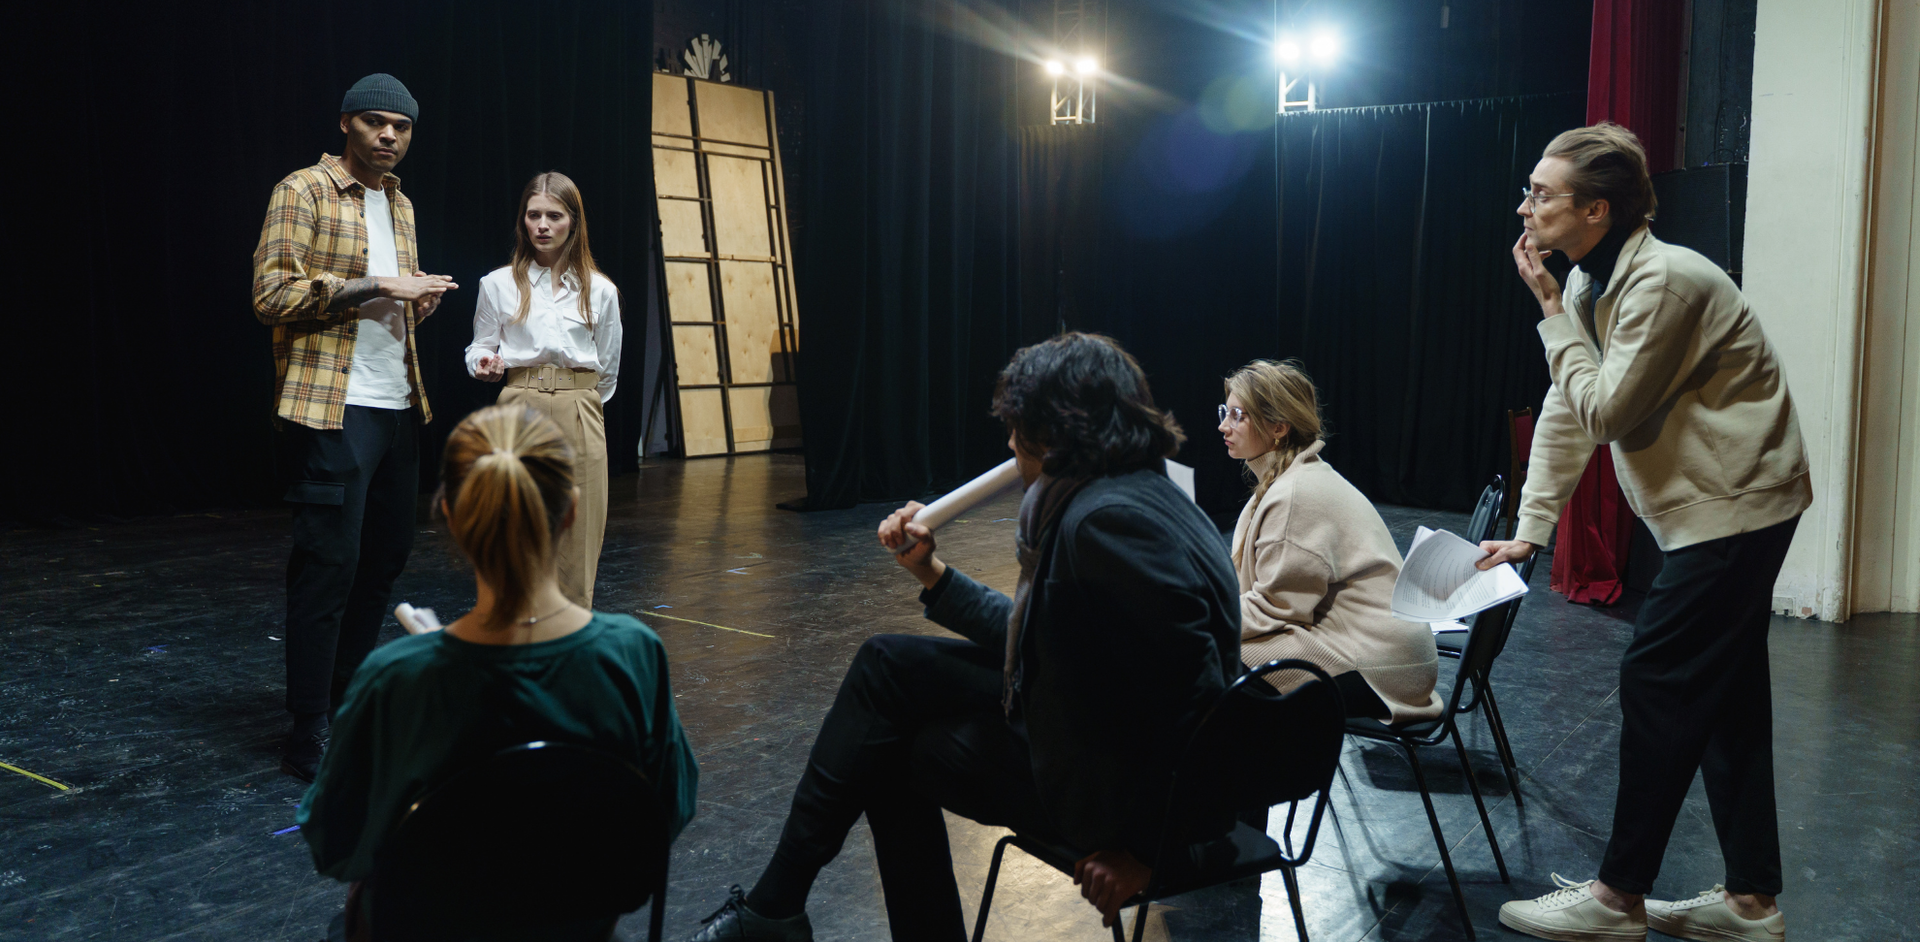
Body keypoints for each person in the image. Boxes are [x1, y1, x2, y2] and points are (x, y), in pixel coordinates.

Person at [687, 333, 1242, 942]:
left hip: (1118, 798)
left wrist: (1148, 851)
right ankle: (773, 911)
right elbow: (1043, 639)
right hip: (1094, 728)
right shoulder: (1141, 491)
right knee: (885, 669)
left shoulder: (1106, 523)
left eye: (1019, 427)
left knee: (890, 748)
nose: (1008, 442)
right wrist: (931, 573)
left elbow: (1202, 705)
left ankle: (772, 912)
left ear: (1055, 433)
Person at [1482, 123, 1810, 942]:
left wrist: (1551, 311)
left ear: (1597, 209)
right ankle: (1750, 903)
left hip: (1738, 505)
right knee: (1727, 696)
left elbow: (1606, 409)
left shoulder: (1661, 281)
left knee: (1659, 678)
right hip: (1713, 506)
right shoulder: (1600, 283)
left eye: (1542, 193)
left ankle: (1618, 896)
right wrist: (1532, 529)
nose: (1525, 206)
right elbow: (1567, 409)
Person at [297, 404, 699, 938]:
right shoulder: (634, 655)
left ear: (451, 517)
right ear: (571, 511)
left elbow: (337, 845)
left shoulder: (395, 677)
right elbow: (668, 810)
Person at [252, 73, 460, 781]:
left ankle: (344, 701)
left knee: (384, 562)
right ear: (347, 122)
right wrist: (377, 285)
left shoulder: (398, 204)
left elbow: (389, 303)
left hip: (399, 402)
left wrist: (416, 303)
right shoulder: (302, 190)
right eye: (375, 123)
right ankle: (305, 725)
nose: (389, 137)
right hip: (330, 405)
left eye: (401, 128)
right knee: (326, 569)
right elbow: (271, 294)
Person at [1220, 360, 1441, 726]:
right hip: (1374, 644)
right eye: (1224, 412)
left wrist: (1199, 618)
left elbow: (1278, 608)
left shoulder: (1295, 493)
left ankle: (1250, 777)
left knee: (1218, 659)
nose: (1223, 426)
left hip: (1387, 664)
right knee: (1218, 650)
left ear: (1278, 427)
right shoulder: (1291, 478)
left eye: (1237, 415)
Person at [465, 171, 621, 608]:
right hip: (519, 401)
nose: (543, 225)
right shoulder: (497, 284)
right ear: (523, 221)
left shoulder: (601, 290)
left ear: (574, 221)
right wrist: (483, 363)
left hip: (580, 405)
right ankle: (511, 631)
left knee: (580, 528)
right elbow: (480, 344)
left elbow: (608, 365)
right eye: (534, 215)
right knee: (513, 523)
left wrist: (580, 401)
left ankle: (569, 636)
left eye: (554, 215)